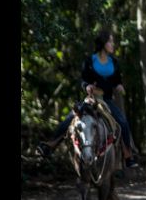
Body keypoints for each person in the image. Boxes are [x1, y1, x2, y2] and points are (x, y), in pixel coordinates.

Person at [37, 30, 138, 168]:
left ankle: (128, 156)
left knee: (123, 122)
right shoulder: (90, 61)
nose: (113, 44)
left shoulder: (114, 62)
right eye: (110, 41)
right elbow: (83, 81)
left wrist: (119, 86)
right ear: (103, 43)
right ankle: (50, 145)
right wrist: (87, 86)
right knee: (70, 118)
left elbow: (117, 81)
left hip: (106, 99)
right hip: (91, 98)